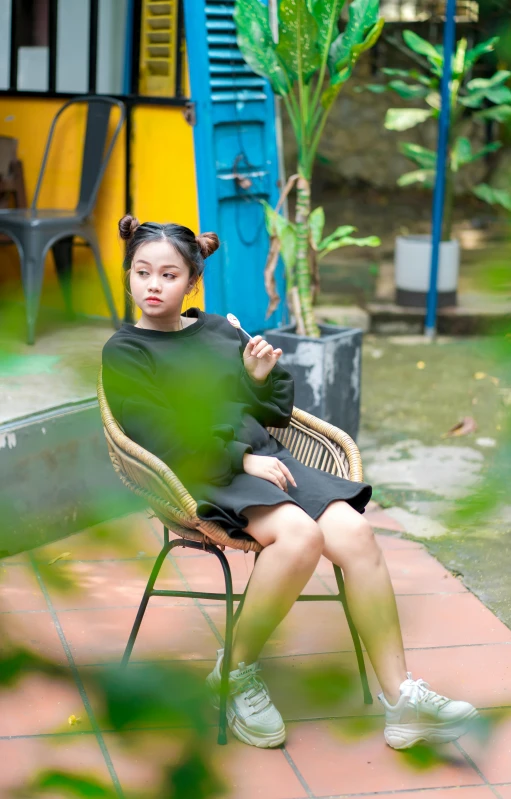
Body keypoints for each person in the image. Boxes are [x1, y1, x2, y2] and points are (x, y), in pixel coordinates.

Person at [102, 215, 478, 751]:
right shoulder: (126, 351)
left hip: (264, 458)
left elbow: (272, 410)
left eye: (168, 274)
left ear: (191, 281)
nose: (154, 285)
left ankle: (402, 701)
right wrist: (239, 459)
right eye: (143, 273)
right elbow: (155, 434)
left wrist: (255, 376)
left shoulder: (216, 330)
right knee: (300, 537)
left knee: (356, 535)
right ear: (129, 276)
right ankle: (234, 675)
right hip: (196, 472)